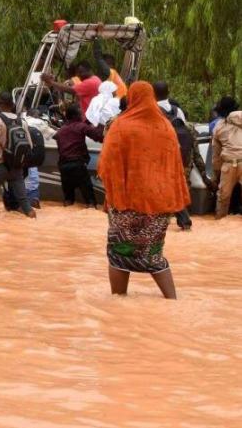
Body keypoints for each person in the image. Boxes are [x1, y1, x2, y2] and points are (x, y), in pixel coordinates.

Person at [98, 81, 190, 300]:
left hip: (126, 201)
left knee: (120, 251)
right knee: (153, 252)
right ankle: (172, 300)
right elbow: (175, 165)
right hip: (158, 203)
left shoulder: (121, 125)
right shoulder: (165, 126)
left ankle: (119, 301)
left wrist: (113, 194)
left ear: (131, 98)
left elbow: (106, 165)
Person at [154, 81, 216, 230]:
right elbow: (188, 133)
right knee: (179, 189)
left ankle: (163, 221)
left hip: (161, 158)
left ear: (152, 93)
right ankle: (184, 221)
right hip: (182, 157)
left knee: (161, 189)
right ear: (168, 92)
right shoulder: (178, 111)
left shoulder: (152, 110)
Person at [0, 92, 37, 220]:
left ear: (0, 105)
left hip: (0, 167)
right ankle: (33, 221)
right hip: (17, 168)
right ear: (12, 105)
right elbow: (29, 145)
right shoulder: (22, 121)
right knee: (25, 203)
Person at [54, 104, 104, 207]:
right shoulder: (81, 126)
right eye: (80, 114)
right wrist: (102, 124)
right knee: (90, 202)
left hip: (63, 166)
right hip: (78, 165)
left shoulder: (61, 130)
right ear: (74, 116)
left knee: (68, 200)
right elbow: (99, 137)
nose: (82, 116)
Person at [212, 109, 242, 219]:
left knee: (223, 195)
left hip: (228, 164)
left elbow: (216, 153)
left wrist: (216, 172)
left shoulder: (219, 128)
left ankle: (220, 218)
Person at [93, 32, 127, 98]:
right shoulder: (112, 75)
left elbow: (98, 57)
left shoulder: (109, 71)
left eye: (103, 63)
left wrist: (97, 36)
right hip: (121, 99)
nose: (101, 65)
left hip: (120, 99)